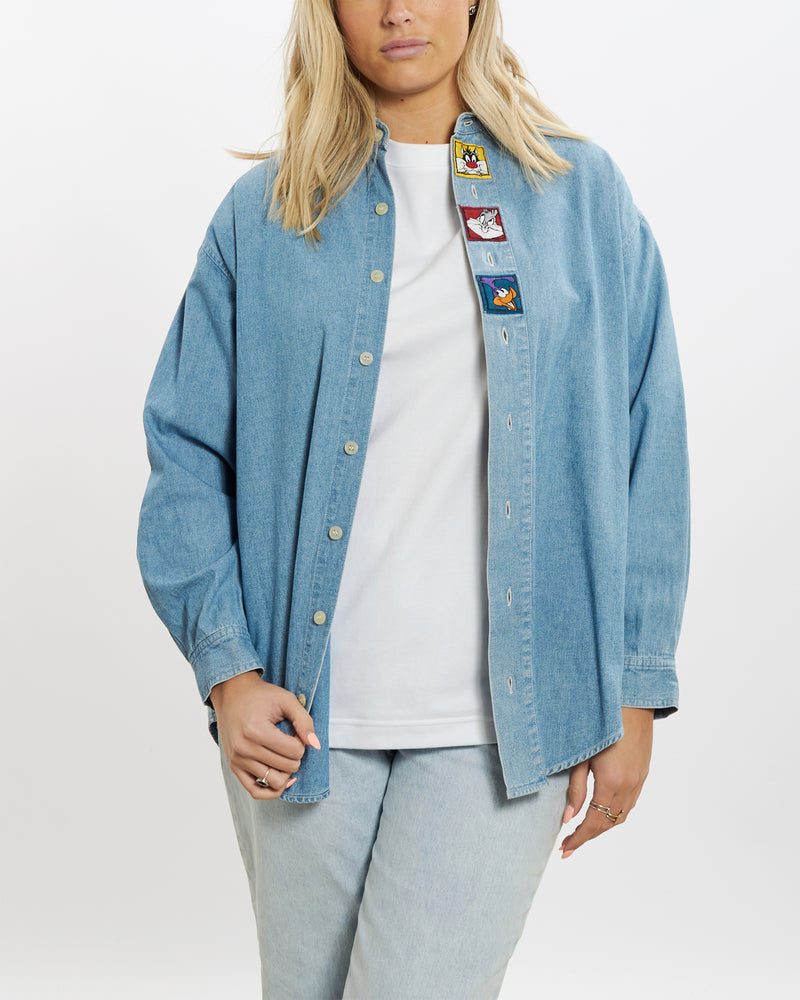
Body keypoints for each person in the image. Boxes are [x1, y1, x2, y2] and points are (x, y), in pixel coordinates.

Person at [137, 1, 690, 997]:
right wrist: (230, 673)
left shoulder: (581, 198)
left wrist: (637, 687)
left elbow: (651, 444)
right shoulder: (265, 215)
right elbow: (184, 453)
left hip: (502, 726)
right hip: (304, 723)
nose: (399, 8)